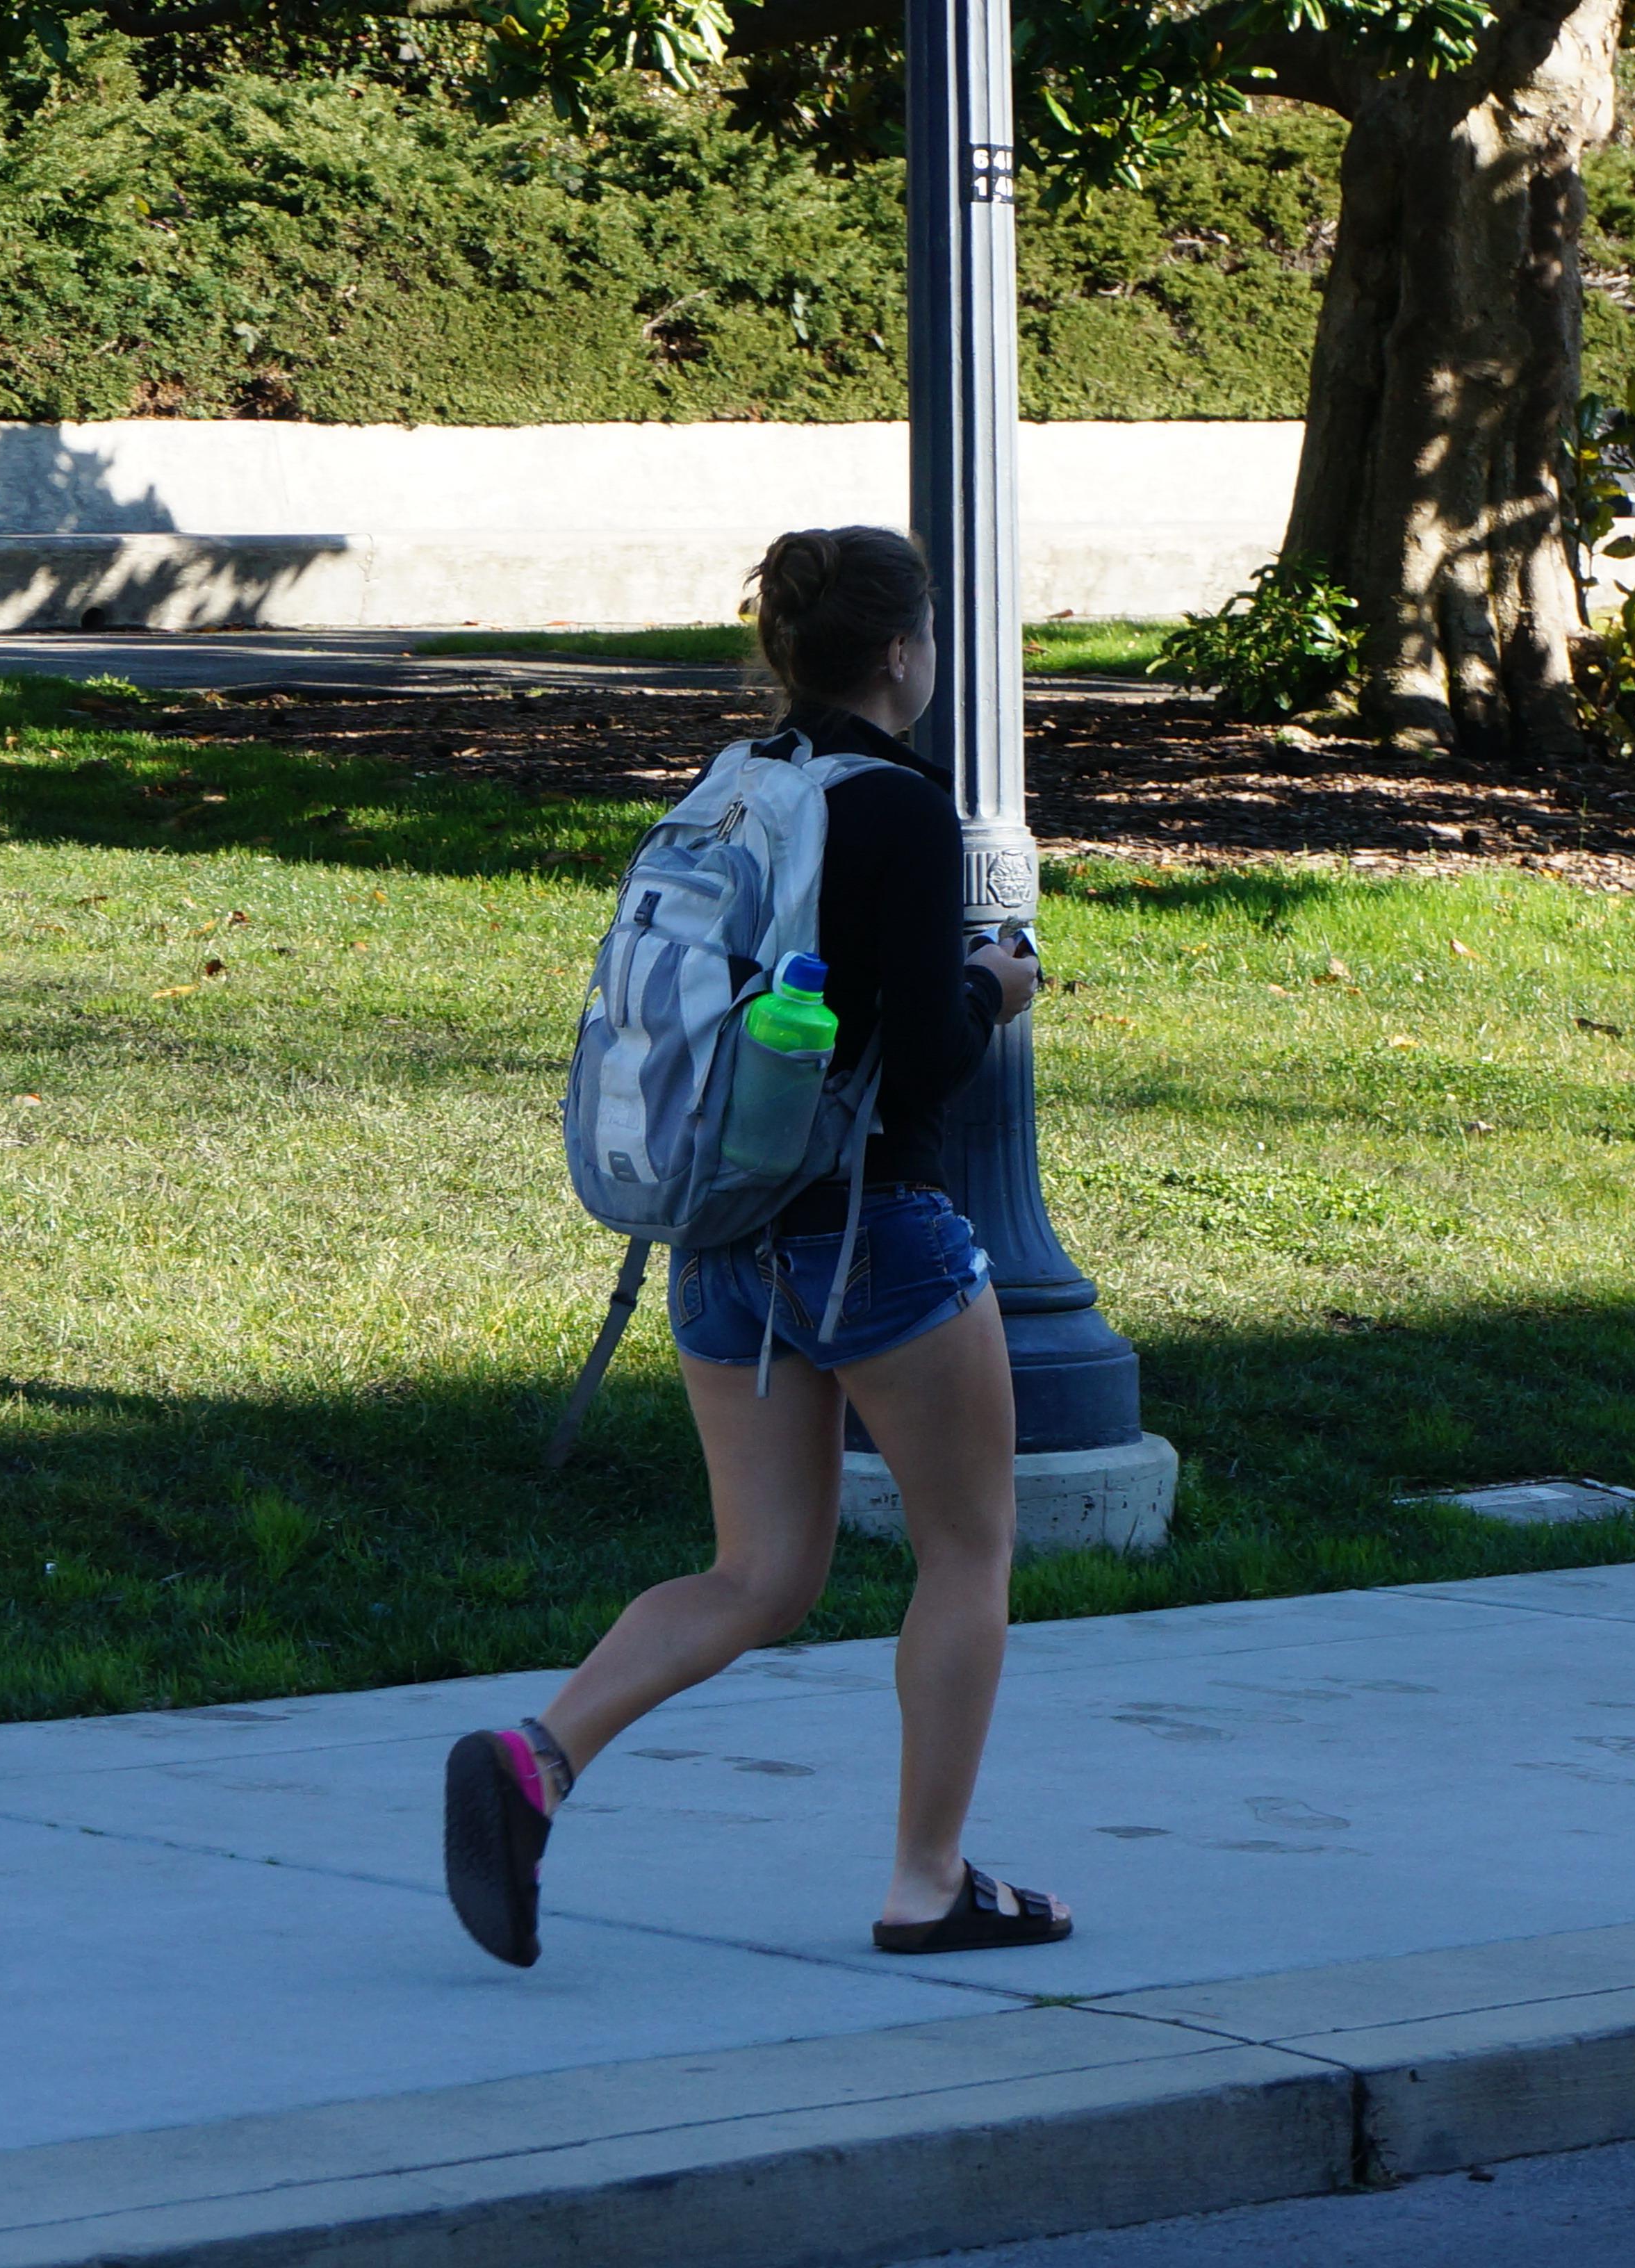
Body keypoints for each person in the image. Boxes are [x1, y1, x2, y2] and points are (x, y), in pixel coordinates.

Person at [441, 525, 1067, 1966]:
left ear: (785, 652)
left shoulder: (732, 787)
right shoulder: (898, 810)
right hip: (877, 1234)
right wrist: (991, 988)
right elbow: (912, 1068)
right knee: (967, 1550)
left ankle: (537, 1760)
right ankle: (928, 1880)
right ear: (904, 652)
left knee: (760, 1574)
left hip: (721, 1231)